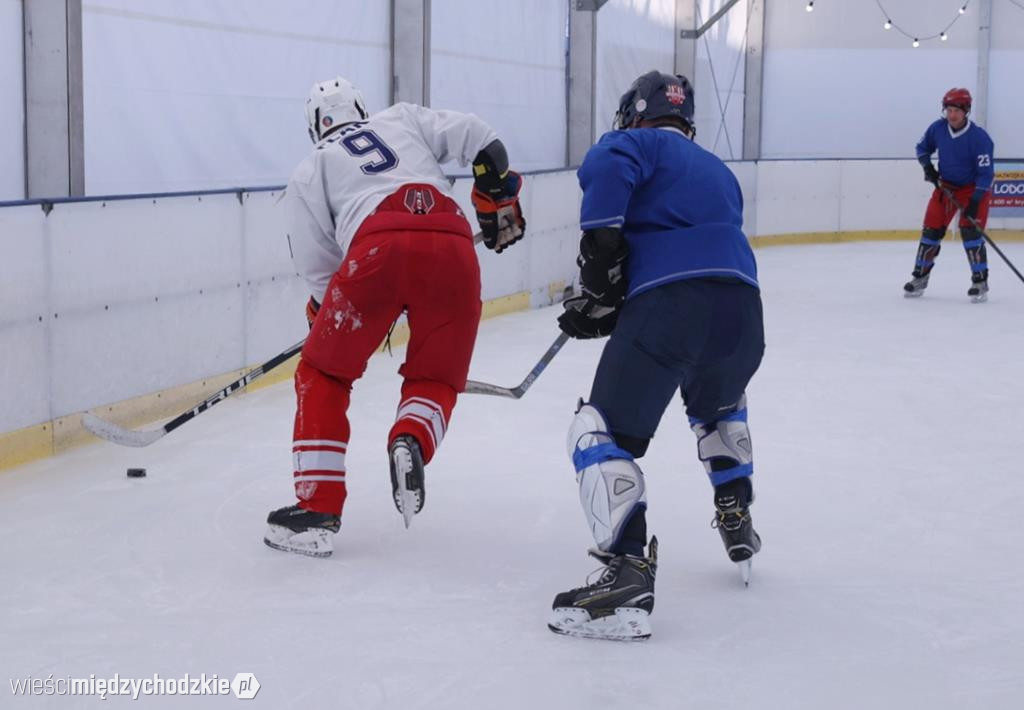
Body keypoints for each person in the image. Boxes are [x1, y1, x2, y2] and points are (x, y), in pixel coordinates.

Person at [264, 76, 525, 558]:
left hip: (375, 250)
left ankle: (317, 510)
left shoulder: (310, 169)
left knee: (324, 372)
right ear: (362, 109)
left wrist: (328, 319)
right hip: (451, 242)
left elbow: (319, 270)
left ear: (313, 127)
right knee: (437, 375)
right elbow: (483, 140)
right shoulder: (402, 118)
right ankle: (411, 441)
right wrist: (496, 194)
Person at [547, 71, 765, 641]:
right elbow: (687, 249)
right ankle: (736, 512)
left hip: (673, 307)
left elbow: (605, 169)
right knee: (720, 404)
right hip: (743, 310)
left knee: (598, 433)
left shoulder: (635, 142)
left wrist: (600, 254)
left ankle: (626, 572)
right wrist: (615, 301)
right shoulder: (719, 171)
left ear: (636, 115)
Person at [904, 87, 995, 302]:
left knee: (970, 233)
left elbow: (986, 174)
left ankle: (980, 280)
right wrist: (928, 168)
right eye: (948, 109)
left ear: (966, 111)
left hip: (973, 189)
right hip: (946, 187)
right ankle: (920, 278)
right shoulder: (938, 128)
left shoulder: (980, 138)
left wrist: (974, 201)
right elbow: (922, 148)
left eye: (956, 110)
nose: (951, 115)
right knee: (931, 231)